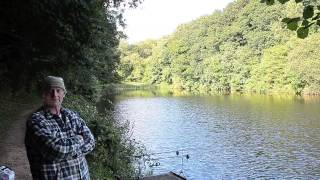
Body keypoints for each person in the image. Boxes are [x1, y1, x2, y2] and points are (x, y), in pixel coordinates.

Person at [25, 76, 95, 180]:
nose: (55, 94)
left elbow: (91, 142)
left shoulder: (72, 115)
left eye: (58, 90)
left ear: (64, 94)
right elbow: (57, 150)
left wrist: (66, 151)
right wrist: (80, 139)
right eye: (50, 91)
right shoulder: (36, 120)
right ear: (43, 95)